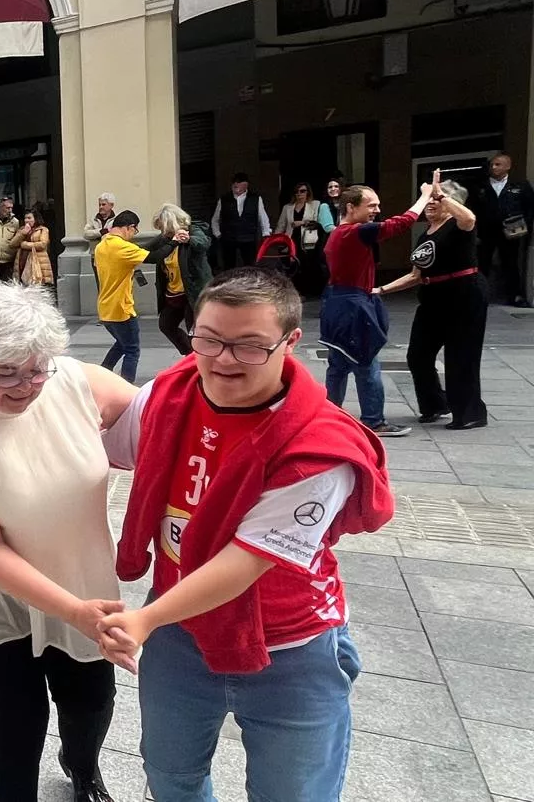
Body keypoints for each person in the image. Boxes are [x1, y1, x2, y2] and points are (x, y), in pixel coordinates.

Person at [98, 268, 392, 802]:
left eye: (250, 346)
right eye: (208, 339)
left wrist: (144, 620)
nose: (224, 360)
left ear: (290, 342)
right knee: (169, 777)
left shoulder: (318, 446)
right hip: (180, 632)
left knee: (294, 794)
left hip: (290, 643)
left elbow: (245, 562)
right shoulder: (170, 396)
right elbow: (93, 411)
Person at [0, 281, 136, 802]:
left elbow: (167, 417)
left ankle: (82, 767)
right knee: (16, 711)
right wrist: (74, 612)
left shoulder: (78, 382)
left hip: (76, 568)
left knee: (92, 695)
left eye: (38, 370)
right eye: (7, 373)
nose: (26, 386)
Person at [378, 178, 487, 429]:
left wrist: (441, 194)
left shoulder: (459, 225)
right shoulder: (425, 234)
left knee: (461, 355)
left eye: (436, 200)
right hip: (432, 297)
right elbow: (415, 275)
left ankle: (470, 414)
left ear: (451, 203)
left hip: (464, 294)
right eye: (428, 199)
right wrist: (381, 289)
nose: (430, 203)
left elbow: (469, 218)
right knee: (418, 354)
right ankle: (435, 404)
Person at [322, 181, 427, 438]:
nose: (377, 210)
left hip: (338, 302)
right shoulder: (355, 232)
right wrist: (424, 196)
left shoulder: (338, 234)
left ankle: (326, 415)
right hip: (352, 305)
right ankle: (373, 420)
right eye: (371, 205)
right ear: (351, 207)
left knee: (339, 364)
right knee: (366, 363)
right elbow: (401, 224)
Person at [94, 211, 180, 382]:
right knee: (132, 349)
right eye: (135, 231)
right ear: (129, 227)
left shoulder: (101, 246)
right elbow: (154, 257)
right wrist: (174, 241)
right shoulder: (122, 247)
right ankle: (127, 385)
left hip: (105, 307)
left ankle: (102, 374)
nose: (134, 235)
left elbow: (141, 251)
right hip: (121, 308)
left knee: (122, 344)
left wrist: (163, 238)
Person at [469, 151, 534, 306]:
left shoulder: (520, 185)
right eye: (492, 165)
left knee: (511, 264)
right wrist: (474, 230)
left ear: (507, 166)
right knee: (482, 263)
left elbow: (530, 207)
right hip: (486, 231)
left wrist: (524, 226)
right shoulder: (480, 186)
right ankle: (479, 296)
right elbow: (472, 209)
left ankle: (515, 296)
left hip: (512, 231)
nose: (494, 167)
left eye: (498, 164)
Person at [152, 203, 213, 355]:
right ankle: (190, 354)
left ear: (171, 224)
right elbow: (144, 248)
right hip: (174, 293)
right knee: (166, 324)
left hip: (193, 291)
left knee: (193, 329)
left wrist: (189, 239)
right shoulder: (165, 239)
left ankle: (196, 358)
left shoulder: (193, 230)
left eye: (163, 228)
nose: (162, 232)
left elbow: (204, 243)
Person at [275, 182, 334, 298]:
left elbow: (318, 222)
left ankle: (311, 291)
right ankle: (298, 292)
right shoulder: (287, 207)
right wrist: (276, 239)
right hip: (292, 239)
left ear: (308, 192)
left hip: (309, 239)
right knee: (294, 266)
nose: (299, 194)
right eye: (296, 192)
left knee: (309, 265)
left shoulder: (315, 204)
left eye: (302, 191)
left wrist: (302, 223)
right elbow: (281, 225)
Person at [210, 173, 271, 270]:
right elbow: (215, 219)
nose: (235, 184)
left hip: (248, 238)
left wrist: (266, 233)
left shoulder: (255, 198)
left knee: (250, 266)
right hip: (229, 238)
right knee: (229, 267)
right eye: (234, 182)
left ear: (246, 184)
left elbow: (262, 217)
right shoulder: (224, 199)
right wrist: (217, 234)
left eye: (238, 182)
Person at [13, 209, 54, 295]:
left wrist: (25, 244)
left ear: (35, 219)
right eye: (25, 218)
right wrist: (23, 233)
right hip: (23, 261)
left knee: (37, 287)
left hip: (38, 262)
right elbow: (13, 244)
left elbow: (42, 244)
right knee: (23, 288)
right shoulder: (22, 230)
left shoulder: (42, 230)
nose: (26, 220)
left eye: (29, 218)